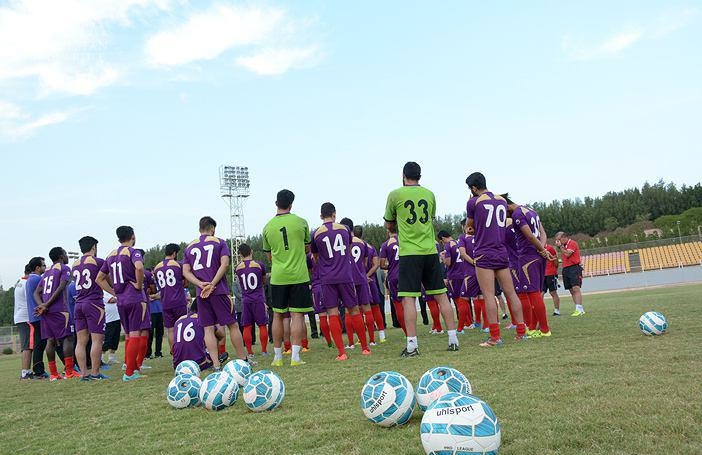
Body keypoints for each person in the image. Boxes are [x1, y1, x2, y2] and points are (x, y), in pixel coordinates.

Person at [384, 161, 459, 357]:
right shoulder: (429, 194)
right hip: (429, 250)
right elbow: (429, 218)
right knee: (441, 295)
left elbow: (389, 224)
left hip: (409, 253)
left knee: (409, 298)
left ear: (403, 175)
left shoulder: (395, 194)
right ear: (420, 176)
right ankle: (453, 339)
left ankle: (411, 345)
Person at [464, 172, 530, 347]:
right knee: (511, 293)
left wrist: (472, 229)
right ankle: (522, 332)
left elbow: (469, 227)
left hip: (484, 251)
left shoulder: (473, 202)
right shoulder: (501, 200)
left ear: (473, 188)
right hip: (501, 251)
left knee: (488, 295)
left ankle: (495, 337)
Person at [182, 216, 247, 370]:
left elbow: (185, 271)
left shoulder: (189, 247)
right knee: (233, 325)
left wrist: (199, 283)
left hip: (201, 293)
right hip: (219, 290)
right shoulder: (219, 242)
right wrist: (212, 283)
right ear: (212, 228)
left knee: (208, 329)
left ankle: (216, 365)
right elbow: (225, 264)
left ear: (200, 229)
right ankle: (243, 360)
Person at [311, 203, 370, 361]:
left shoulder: (315, 233)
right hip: (345, 275)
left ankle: (342, 352)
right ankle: (365, 348)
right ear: (334, 214)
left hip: (327, 278)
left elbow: (316, 258)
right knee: (354, 310)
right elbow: (348, 249)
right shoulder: (344, 229)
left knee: (332, 313)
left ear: (321, 215)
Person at [262, 190, 314, 367]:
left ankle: (277, 358)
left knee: (277, 315)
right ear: (291, 204)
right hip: (298, 275)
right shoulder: (301, 222)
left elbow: (269, 257)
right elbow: (307, 248)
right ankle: (295, 357)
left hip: (278, 277)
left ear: (276, 203)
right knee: (297, 315)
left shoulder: (267, 227)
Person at [97, 226, 150, 381]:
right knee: (135, 334)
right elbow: (139, 267)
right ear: (133, 236)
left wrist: (114, 291)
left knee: (128, 335)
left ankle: (130, 367)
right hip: (134, 298)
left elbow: (99, 278)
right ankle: (129, 373)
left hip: (121, 300)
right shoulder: (133, 252)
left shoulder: (111, 255)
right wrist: (139, 285)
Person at [505, 196, 553, 338]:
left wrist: (542, 250)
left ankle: (544, 329)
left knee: (532, 294)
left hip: (527, 257)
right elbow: (542, 233)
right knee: (535, 293)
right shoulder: (531, 211)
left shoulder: (517, 214)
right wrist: (542, 249)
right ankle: (532, 327)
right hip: (537, 255)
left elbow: (530, 236)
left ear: (507, 206)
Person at [33, 247, 78, 380]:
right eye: (65, 253)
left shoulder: (46, 272)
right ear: (61, 256)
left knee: (50, 340)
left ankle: (53, 374)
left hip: (46, 312)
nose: (66, 255)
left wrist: (42, 305)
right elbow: (62, 286)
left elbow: (36, 292)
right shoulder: (64, 268)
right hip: (59, 309)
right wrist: (46, 304)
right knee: (68, 338)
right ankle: (69, 371)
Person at [71, 236, 111, 380]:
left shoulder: (74, 264)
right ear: (94, 247)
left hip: (79, 303)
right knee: (97, 340)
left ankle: (83, 374)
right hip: (93, 303)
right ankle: (95, 373)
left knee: (81, 341)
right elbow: (107, 279)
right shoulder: (98, 262)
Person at [341, 219, 377, 347]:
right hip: (361, 278)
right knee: (367, 308)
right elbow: (366, 263)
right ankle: (371, 340)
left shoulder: (342, 242)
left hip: (348, 279)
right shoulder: (363, 243)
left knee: (348, 310)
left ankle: (351, 343)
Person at [235, 243, 269, 358]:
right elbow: (263, 280)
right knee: (262, 325)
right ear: (251, 251)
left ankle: (250, 352)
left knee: (247, 326)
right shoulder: (259, 265)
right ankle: (264, 350)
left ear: (240, 254)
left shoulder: (238, 268)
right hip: (258, 299)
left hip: (246, 300)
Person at [153, 243, 189, 354]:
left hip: (165, 302)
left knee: (170, 329)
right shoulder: (178, 265)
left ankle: (174, 353)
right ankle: (185, 351)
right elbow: (186, 283)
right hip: (178, 300)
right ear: (174, 253)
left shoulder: (157, 268)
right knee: (183, 326)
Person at [172, 300, 227, 370]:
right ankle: (216, 359)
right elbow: (221, 336)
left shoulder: (178, 320)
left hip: (178, 365)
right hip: (199, 363)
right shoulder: (203, 320)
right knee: (212, 336)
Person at [438, 230, 473, 333]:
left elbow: (448, 263)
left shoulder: (448, 246)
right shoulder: (458, 242)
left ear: (443, 238)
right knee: (465, 299)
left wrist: (443, 258)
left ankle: (465, 323)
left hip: (454, 275)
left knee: (458, 301)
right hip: (464, 273)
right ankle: (469, 321)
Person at [379, 225, 404, 333]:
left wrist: (391, 266)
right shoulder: (404, 241)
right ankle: (412, 331)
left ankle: (407, 332)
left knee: (397, 304)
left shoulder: (385, 245)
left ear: (388, 230)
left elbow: (382, 264)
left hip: (393, 276)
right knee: (408, 303)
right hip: (406, 275)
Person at [26, 256, 48, 378]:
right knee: (40, 344)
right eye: (43, 265)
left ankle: (38, 370)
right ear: (37, 267)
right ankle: (39, 371)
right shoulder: (37, 279)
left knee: (40, 343)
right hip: (38, 316)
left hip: (33, 315)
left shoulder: (30, 279)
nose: (45, 267)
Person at [554, 232, 585, 316]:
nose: (558, 242)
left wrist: (561, 247)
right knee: (571, 290)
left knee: (576, 288)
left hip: (574, 267)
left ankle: (579, 308)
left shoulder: (572, 243)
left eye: (559, 240)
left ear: (564, 237)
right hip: (566, 268)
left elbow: (567, 254)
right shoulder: (563, 246)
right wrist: (560, 247)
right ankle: (578, 308)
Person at [14, 265, 32, 379]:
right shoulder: (26, 283)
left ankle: (27, 371)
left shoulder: (19, 282)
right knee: (27, 346)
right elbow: (30, 300)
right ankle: (25, 372)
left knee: (27, 346)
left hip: (20, 316)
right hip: (26, 317)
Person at [102, 291, 120, 365]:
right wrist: (120, 297)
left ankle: (112, 358)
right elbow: (111, 300)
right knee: (107, 339)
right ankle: (101, 358)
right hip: (108, 320)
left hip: (117, 318)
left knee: (115, 339)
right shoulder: (103, 292)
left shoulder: (113, 290)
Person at [542, 243, 561, 315]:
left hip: (550, 273)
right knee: (540, 293)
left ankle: (557, 310)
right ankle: (541, 311)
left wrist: (554, 271)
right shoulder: (536, 247)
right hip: (542, 274)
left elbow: (555, 259)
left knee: (553, 292)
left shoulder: (550, 248)